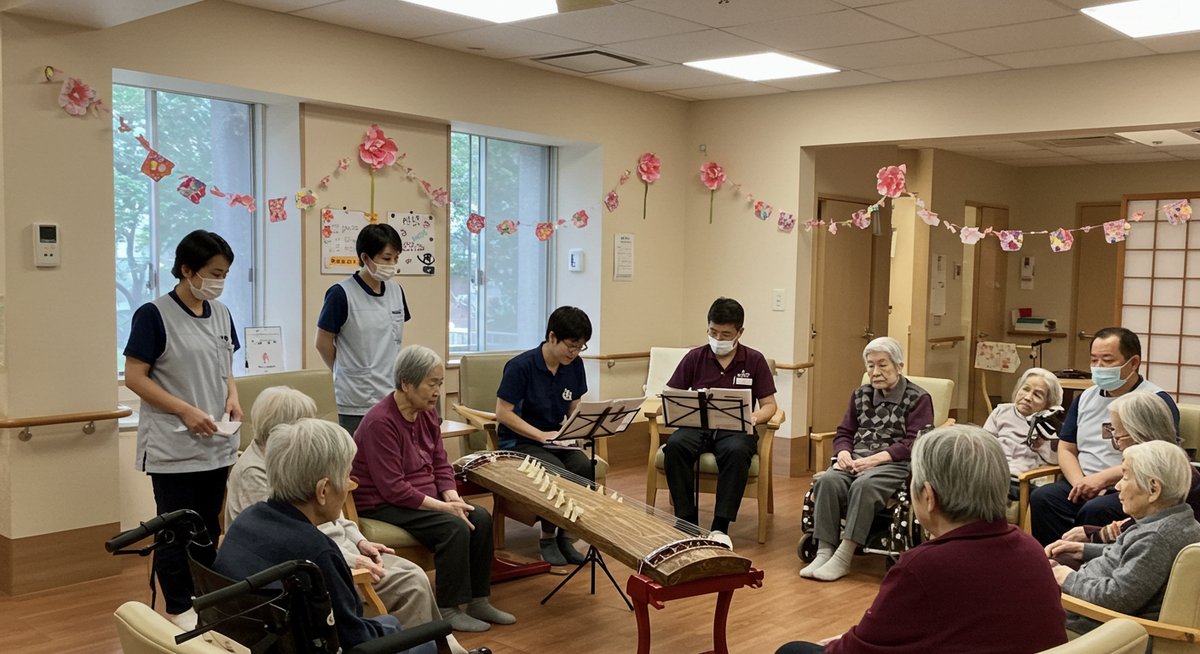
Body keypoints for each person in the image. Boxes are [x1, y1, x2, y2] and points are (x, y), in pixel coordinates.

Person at [224, 387, 475, 654]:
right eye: (345, 477)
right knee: (429, 638)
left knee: (406, 622)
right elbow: (354, 638)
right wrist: (390, 628)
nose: (349, 486)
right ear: (322, 491)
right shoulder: (316, 554)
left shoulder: (251, 519)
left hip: (269, 640)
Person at [777, 425, 1067, 654]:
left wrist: (840, 642)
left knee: (792, 650)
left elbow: (856, 649)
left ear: (928, 497)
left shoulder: (924, 566)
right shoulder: (1030, 547)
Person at [123, 230, 241, 629]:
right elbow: (135, 377)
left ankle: (204, 598)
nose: (219, 281)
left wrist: (233, 397)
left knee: (209, 526)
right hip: (173, 445)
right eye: (214, 272)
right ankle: (177, 607)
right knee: (176, 528)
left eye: (225, 273)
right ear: (187, 270)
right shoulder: (154, 315)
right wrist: (185, 411)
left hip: (216, 441)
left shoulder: (221, 313)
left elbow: (226, 368)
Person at [352, 345, 514, 633]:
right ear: (406, 383)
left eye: (440, 383)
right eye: (432, 383)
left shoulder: (426, 413)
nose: (438, 391)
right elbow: (393, 488)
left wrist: (452, 496)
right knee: (454, 526)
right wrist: (444, 507)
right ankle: (449, 608)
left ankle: (478, 599)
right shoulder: (380, 422)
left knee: (479, 517)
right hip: (382, 503)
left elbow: (440, 462)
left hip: (421, 497)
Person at [800, 336, 933, 581]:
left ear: (899, 366)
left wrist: (875, 459)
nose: (875, 371)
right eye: (870, 365)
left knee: (864, 485)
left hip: (896, 465)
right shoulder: (860, 395)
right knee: (828, 481)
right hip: (856, 460)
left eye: (883, 364)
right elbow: (844, 432)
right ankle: (824, 550)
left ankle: (844, 556)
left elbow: (916, 441)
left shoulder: (918, 398)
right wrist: (843, 453)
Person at [1030, 327, 1179, 545]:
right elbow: (1066, 448)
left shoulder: (1154, 400)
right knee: (1044, 498)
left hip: (1132, 484)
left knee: (1095, 510)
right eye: (1094, 360)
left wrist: (1102, 480)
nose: (1098, 367)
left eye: (1107, 360)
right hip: (1082, 480)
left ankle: (1092, 567)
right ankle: (1055, 563)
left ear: (1134, 362)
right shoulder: (1085, 398)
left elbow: (1162, 456)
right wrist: (1081, 483)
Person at [1046, 440, 1200, 634]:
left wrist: (1066, 577)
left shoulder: (1157, 538)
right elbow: (1130, 554)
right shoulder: (1175, 520)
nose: (1117, 486)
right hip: (1092, 609)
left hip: (1095, 626)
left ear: (1153, 489)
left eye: (1125, 477)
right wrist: (1083, 550)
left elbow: (1115, 598)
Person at [661, 297, 778, 548]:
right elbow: (670, 394)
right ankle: (686, 522)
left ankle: (720, 527)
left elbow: (770, 405)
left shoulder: (754, 360)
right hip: (697, 426)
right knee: (676, 446)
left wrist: (755, 417)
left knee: (736, 451)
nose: (718, 339)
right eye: (713, 332)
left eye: (726, 334)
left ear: (740, 332)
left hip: (736, 428)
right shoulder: (695, 357)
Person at [494, 306, 595, 566]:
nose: (574, 353)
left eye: (580, 347)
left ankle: (566, 536)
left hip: (555, 439)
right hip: (519, 440)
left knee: (584, 466)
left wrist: (577, 429)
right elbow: (503, 413)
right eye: (571, 345)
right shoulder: (521, 366)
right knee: (556, 471)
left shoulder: (574, 365)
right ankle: (547, 537)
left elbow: (574, 404)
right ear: (552, 337)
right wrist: (540, 435)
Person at [1059, 392, 1200, 545]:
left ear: (1140, 434)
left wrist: (1095, 535)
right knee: (1048, 497)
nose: (1116, 444)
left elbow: (1148, 525)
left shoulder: (1167, 471)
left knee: (1096, 509)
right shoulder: (1157, 459)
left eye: (1118, 437)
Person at [316, 223, 412, 436]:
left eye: (396, 258)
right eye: (387, 258)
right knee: (357, 463)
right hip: (355, 399)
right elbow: (322, 343)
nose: (393, 264)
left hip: (391, 395)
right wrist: (345, 369)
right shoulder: (341, 294)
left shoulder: (396, 290)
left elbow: (393, 340)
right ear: (366, 258)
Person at [981, 367, 1063, 499]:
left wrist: (1042, 445)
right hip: (992, 473)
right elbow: (983, 443)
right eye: (1025, 389)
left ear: (1048, 404)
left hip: (1023, 480)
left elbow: (1056, 460)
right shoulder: (1001, 411)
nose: (1027, 397)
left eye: (1037, 395)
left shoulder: (1049, 424)